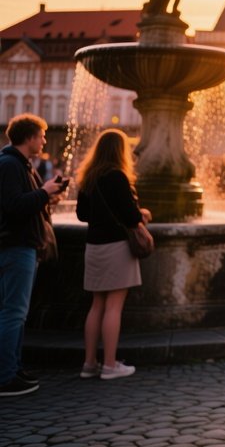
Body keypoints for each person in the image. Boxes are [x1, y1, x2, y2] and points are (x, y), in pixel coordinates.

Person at [76, 129, 151, 380]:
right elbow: (130, 217)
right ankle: (109, 365)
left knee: (96, 305)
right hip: (117, 246)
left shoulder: (88, 177)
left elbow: (82, 215)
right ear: (120, 151)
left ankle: (89, 363)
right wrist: (142, 215)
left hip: (94, 246)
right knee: (114, 307)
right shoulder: (117, 176)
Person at [0, 115, 65, 397]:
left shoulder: (21, 164)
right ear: (29, 138)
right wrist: (43, 191)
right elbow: (14, 205)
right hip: (16, 246)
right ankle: (4, 376)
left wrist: (48, 196)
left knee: (18, 313)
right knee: (13, 313)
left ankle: (14, 367)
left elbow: (27, 202)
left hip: (24, 245)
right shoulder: (10, 165)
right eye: (41, 136)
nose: (44, 141)